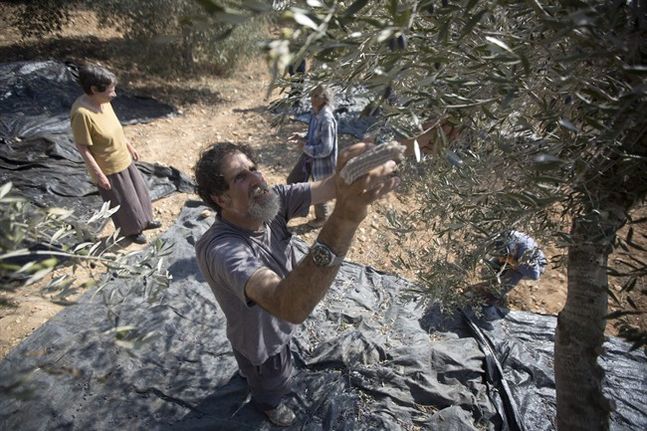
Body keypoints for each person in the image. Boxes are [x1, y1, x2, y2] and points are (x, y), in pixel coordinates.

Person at [194, 141, 399, 427]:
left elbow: (327, 187)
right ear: (221, 199)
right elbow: (287, 305)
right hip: (263, 340)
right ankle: (268, 404)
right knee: (270, 378)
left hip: (255, 333)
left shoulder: (269, 202)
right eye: (240, 177)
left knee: (248, 364)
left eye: (254, 169)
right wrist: (345, 216)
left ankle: (249, 375)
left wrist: (407, 145)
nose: (257, 179)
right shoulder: (223, 249)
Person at [70, 63, 161, 244]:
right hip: (108, 167)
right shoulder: (82, 114)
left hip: (123, 158)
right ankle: (132, 231)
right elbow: (83, 147)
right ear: (94, 90)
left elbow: (115, 127)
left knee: (138, 192)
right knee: (124, 201)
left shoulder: (104, 102)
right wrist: (98, 174)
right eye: (110, 91)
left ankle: (145, 220)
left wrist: (129, 145)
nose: (115, 94)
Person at [287, 84, 338, 225]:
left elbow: (326, 148)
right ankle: (294, 209)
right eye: (312, 95)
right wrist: (301, 136)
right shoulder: (316, 113)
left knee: (319, 190)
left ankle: (322, 218)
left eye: (316, 96)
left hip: (321, 162)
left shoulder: (327, 119)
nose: (312, 98)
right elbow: (313, 136)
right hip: (309, 156)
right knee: (294, 180)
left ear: (325, 99)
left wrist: (306, 147)